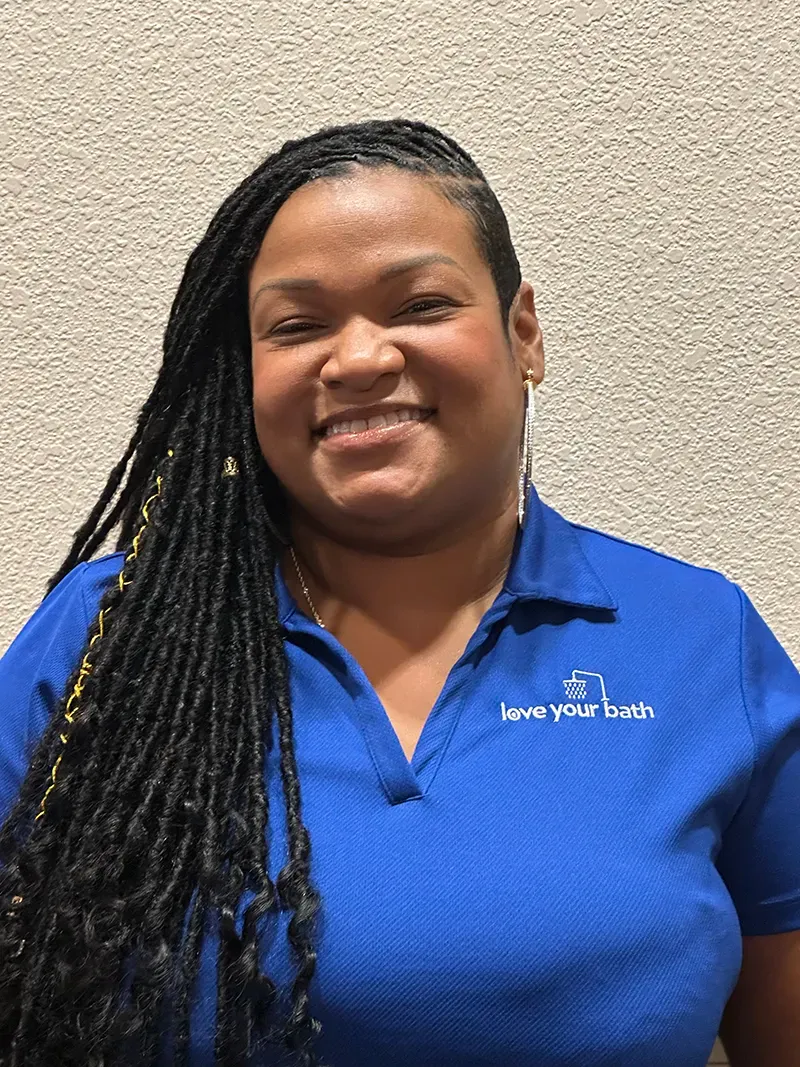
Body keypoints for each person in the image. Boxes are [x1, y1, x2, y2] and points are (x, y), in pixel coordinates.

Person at [0, 118, 798, 1067]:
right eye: (297, 325)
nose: (360, 358)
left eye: (420, 304)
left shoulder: (702, 639)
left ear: (524, 334)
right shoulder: (107, 636)